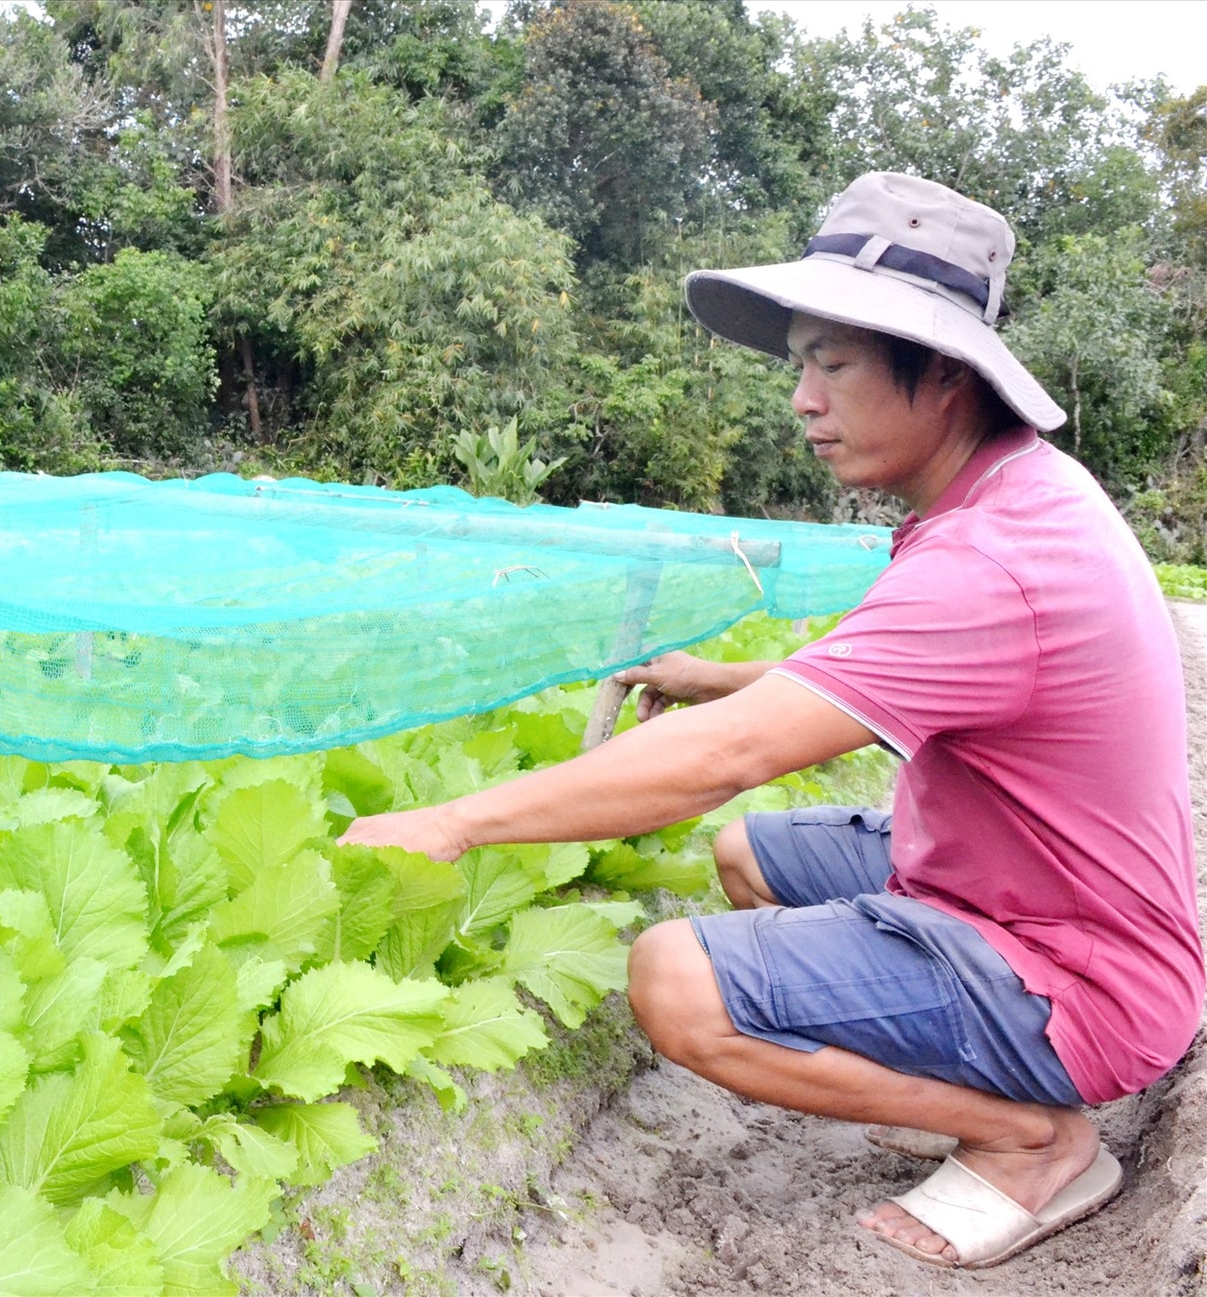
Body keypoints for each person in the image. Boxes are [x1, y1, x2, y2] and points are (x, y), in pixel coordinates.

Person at [338, 171, 1205, 1270]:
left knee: (675, 980)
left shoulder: (994, 559)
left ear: (940, 373)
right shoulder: (1016, 493)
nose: (801, 397)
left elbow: (734, 761)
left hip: (1077, 978)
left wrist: (455, 821)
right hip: (1037, 894)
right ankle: (948, 1067)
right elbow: (854, 681)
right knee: (751, 853)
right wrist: (719, 673)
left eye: (830, 363)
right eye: (801, 363)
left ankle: (1032, 1137)